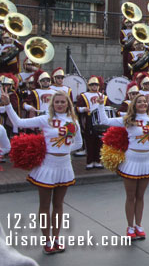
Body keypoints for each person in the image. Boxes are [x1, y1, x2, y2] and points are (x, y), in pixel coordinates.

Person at [1, 91, 82, 255]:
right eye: (57, 102)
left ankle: (57, 239)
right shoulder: (45, 119)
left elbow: (79, 143)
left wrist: (64, 150)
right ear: (52, 104)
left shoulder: (74, 122)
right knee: (45, 205)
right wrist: (8, 104)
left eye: (63, 102)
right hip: (47, 166)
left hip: (65, 166)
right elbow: (19, 122)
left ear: (68, 104)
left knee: (59, 205)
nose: (60, 104)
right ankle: (47, 241)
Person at [94, 94, 149, 239]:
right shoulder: (128, 119)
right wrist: (100, 105)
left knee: (141, 196)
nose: (143, 104)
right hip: (131, 161)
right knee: (131, 196)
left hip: (147, 161)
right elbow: (104, 121)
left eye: (145, 102)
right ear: (134, 105)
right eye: (139, 102)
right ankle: (130, 227)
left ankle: (139, 225)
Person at [75, 76, 106, 169]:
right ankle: (89, 161)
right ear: (89, 86)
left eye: (96, 85)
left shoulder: (103, 96)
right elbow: (77, 108)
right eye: (92, 85)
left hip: (101, 120)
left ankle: (98, 161)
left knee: (100, 142)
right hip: (89, 120)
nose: (94, 87)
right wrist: (84, 109)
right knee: (89, 141)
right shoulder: (84, 95)